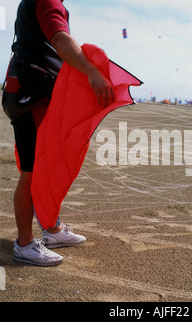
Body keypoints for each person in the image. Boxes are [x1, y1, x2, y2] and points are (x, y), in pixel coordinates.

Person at [2, 0, 115, 266]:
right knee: (32, 171)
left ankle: (52, 230)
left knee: (48, 165)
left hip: (35, 92)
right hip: (30, 96)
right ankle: (25, 244)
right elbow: (60, 39)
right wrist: (91, 71)